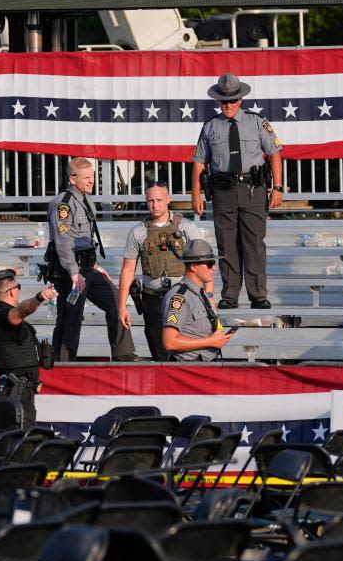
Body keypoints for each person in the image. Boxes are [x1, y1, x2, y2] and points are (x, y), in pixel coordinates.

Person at [191, 72, 284, 310]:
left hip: (253, 189)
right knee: (227, 245)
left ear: (241, 100)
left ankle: (257, 295)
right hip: (223, 191)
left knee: (254, 244)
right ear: (218, 101)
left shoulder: (256, 122)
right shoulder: (210, 126)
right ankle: (230, 295)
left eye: (233, 100)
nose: (229, 105)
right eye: (224, 101)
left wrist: (278, 188)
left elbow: (274, 154)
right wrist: (195, 194)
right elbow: (199, 161)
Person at [48, 157, 141, 361]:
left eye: (92, 177)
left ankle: (123, 353)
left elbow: (84, 239)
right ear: (72, 179)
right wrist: (73, 272)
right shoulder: (63, 204)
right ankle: (63, 363)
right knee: (71, 317)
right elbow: (63, 241)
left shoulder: (87, 198)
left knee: (116, 300)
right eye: (86, 178)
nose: (91, 181)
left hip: (87, 266)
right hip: (70, 271)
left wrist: (95, 265)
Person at [117, 181, 211, 361]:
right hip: (153, 298)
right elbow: (128, 270)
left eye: (159, 200)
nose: (155, 205)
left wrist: (208, 296)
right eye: (151, 200)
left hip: (184, 297)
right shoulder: (138, 232)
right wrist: (122, 306)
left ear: (168, 199)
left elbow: (204, 263)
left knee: (188, 350)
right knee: (159, 350)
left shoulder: (186, 228)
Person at [0, 269, 58, 428]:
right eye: (18, 287)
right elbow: (21, 311)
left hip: (14, 394)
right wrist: (40, 298)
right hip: (16, 397)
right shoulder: (2, 317)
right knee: (18, 444)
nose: (19, 291)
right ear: (11, 291)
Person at [161, 240, 233, 361]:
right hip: (188, 369)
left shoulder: (200, 293)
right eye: (209, 264)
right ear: (194, 266)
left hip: (203, 367)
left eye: (214, 263)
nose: (214, 268)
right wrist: (210, 341)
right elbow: (170, 342)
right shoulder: (180, 297)